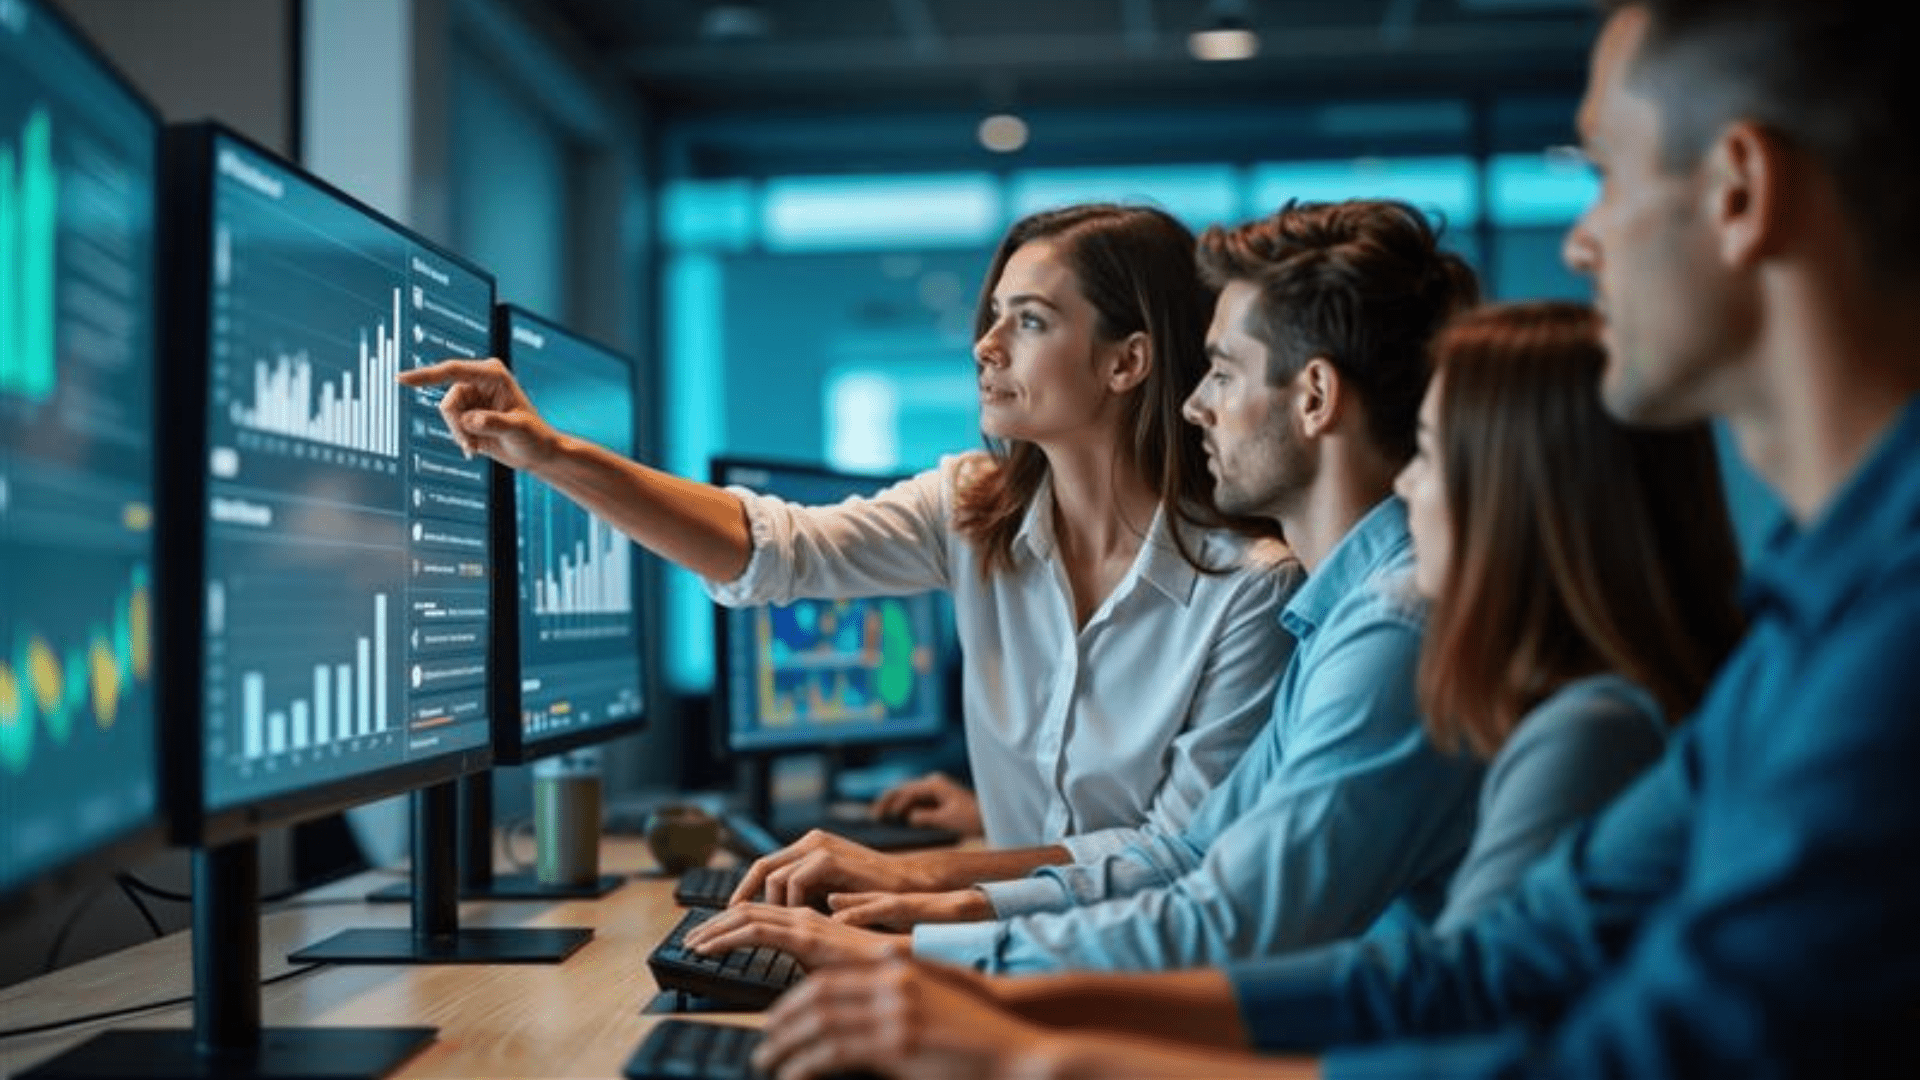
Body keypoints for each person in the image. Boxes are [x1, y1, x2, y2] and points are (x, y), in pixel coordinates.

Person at [744, 0, 1920, 1075]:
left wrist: (1016, 1031)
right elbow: (1458, 967)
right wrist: (948, 962)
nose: (1581, 240)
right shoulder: (1806, 620)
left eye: (1607, 172)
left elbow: (1578, 1044)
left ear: (1739, 191)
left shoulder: (1866, 635)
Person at [686, 197, 1489, 973]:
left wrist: (918, 948)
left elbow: (1231, 925)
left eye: (1222, 372)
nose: (1197, 404)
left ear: (1313, 397)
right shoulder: (1340, 617)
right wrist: (950, 903)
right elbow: (1187, 858)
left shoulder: (1384, 629)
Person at [404, 204, 1299, 854]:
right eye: (992, 317)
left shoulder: (1251, 587)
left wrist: (898, 887)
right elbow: (772, 549)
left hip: (1138, 993)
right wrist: (552, 454)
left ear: (1127, 361)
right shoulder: (973, 507)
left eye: (1030, 321)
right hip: (1014, 948)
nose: (987, 346)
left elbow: (1174, 861)